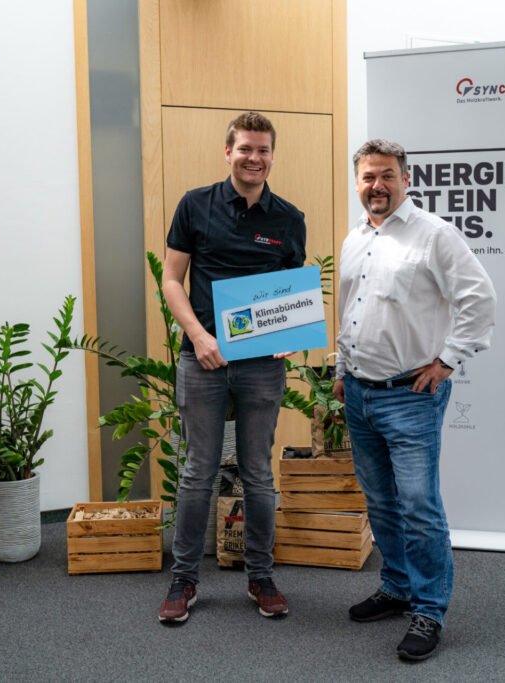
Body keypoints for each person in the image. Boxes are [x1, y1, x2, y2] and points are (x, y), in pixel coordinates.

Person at [332, 139, 496, 660]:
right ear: (357, 183)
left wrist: (447, 360)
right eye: (367, 177)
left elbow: (479, 299)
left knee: (420, 507)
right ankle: (398, 586)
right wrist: (341, 369)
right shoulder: (354, 239)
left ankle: (429, 609)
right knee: (381, 501)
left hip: (410, 397)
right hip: (360, 394)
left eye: (387, 175)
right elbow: (349, 309)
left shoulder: (434, 235)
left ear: (406, 179)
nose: (376, 185)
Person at [157, 111, 306, 623]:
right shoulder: (194, 205)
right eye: (245, 148)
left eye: (263, 150)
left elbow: (290, 294)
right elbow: (172, 279)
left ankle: (261, 577)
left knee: (258, 473)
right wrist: (199, 337)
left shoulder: (288, 218)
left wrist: (288, 336)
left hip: (261, 367)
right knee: (197, 471)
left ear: (272, 156)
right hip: (202, 359)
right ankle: (183, 580)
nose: (254, 158)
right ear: (228, 152)